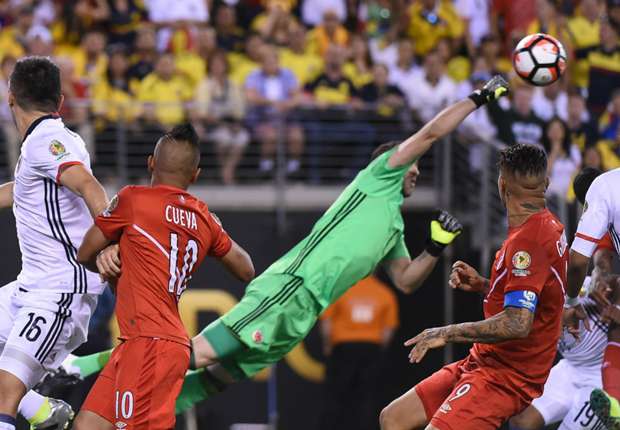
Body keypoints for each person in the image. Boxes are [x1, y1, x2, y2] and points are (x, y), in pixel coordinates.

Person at [91, 75, 508, 413]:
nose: (416, 170)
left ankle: (131, 414)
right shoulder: (377, 179)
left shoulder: (394, 228)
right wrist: (478, 97)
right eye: (411, 162)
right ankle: (85, 368)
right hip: (292, 286)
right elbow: (433, 132)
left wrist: (433, 249)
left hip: (305, 311)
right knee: (194, 353)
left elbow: (406, 281)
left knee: (223, 376)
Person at [71, 124, 254, 429]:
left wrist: (114, 248)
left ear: (150, 163)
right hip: (147, 341)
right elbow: (246, 268)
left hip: (149, 344)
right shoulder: (203, 218)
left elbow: (85, 253)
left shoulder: (133, 200)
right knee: (87, 425)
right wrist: (213, 227)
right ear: (194, 175)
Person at [381, 143, 568, 430]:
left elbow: (518, 323)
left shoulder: (528, 241)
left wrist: (446, 332)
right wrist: (485, 286)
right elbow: (533, 295)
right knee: (394, 418)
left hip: (506, 376)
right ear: (546, 183)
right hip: (484, 360)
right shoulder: (546, 226)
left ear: (502, 184)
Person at [0, 56, 109, 430]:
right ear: (60, 101)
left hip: (59, 291)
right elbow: (27, 189)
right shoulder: (49, 141)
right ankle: (40, 410)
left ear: (10, 97)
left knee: (4, 393)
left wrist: (109, 239)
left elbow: (88, 185)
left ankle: (28, 407)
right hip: (32, 287)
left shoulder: (48, 141)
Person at [508, 167, 620, 430]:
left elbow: (588, 262)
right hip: (570, 367)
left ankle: (615, 401)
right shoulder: (592, 230)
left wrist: (588, 296)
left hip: (600, 374)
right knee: (521, 420)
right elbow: (599, 259)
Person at [564, 165, 620, 430]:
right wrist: (600, 269)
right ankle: (616, 406)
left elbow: (577, 262)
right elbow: (604, 249)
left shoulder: (608, 187)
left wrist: (571, 301)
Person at [320, 275, 399, 430]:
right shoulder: (384, 292)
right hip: (371, 349)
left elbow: (327, 322)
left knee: (336, 397)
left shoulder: (341, 289)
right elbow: (388, 329)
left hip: (343, 349)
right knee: (367, 398)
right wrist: (378, 349)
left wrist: (328, 346)